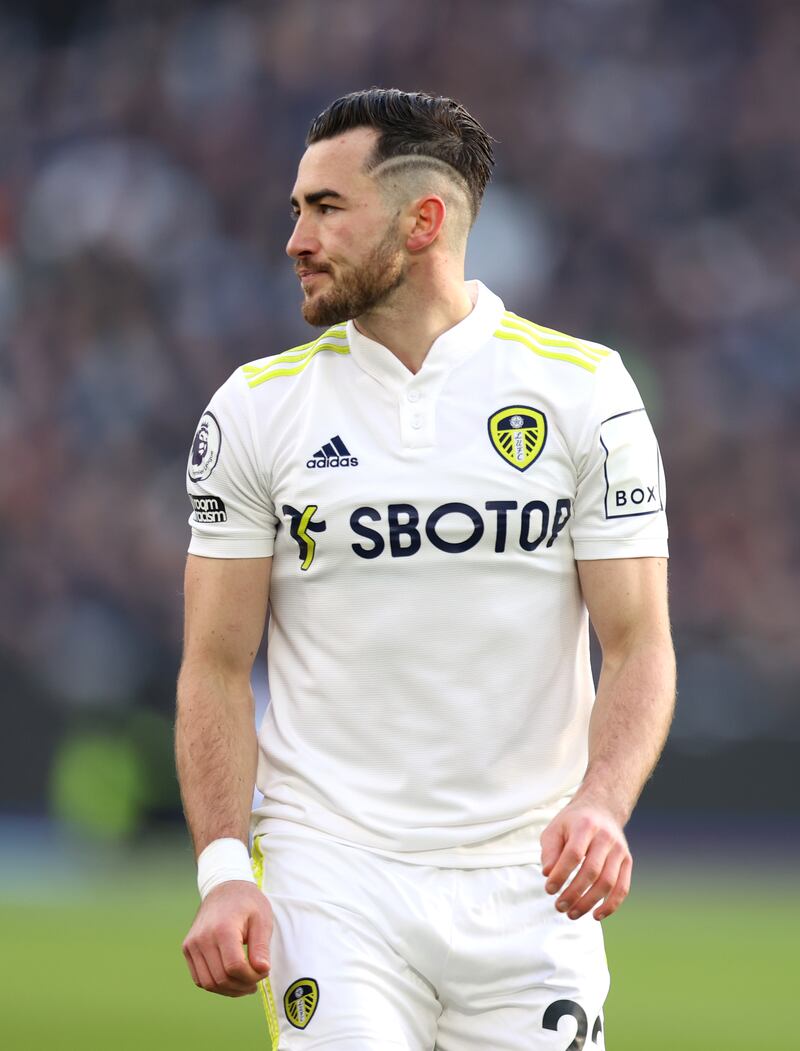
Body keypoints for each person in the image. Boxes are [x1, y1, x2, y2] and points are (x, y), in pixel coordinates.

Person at [176, 88, 675, 1050]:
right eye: (295, 210)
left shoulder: (585, 392)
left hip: (533, 883)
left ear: (423, 222)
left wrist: (603, 807)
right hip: (333, 871)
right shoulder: (253, 410)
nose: (296, 239)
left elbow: (639, 641)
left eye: (326, 208)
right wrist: (225, 868)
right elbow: (214, 662)